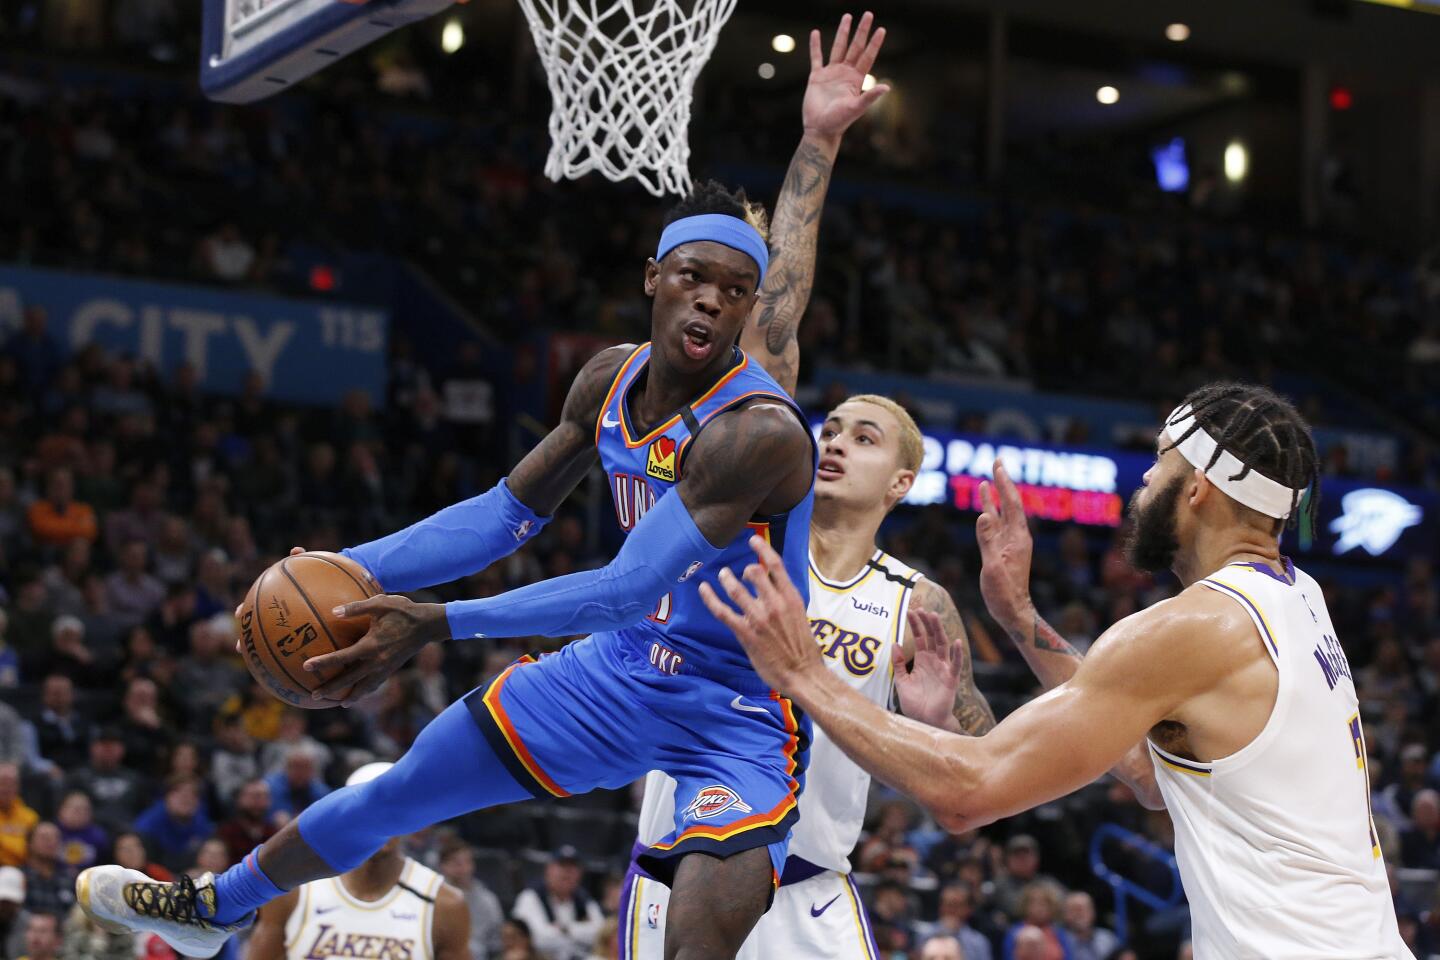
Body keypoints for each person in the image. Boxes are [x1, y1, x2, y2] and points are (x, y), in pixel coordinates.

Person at [78, 14, 887, 960]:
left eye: (732, 291)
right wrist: (353, 564)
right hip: (622, 670)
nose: (711, 299)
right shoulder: (608, 380)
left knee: (698, 938)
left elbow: (626, 585)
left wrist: (441, 621)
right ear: (653, 280)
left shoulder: (756, 434)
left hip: (737, 708)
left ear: (746, 311)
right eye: (691, 278)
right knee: (399, 789)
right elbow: (505, 514)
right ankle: (218, 906)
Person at [703, 383, 1415, 959]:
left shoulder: (1195, 627)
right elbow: (1146, 770)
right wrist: (1016, 615)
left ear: (1197, 487)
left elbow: (969, 793)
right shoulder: (1299, 599)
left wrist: (804, 673)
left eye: (1160, 463)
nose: (1144, 482)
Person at [621, 393, 995, 960]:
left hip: (811, 891)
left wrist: (937, 725)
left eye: (864, 438)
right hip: (685, 872)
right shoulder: (735, 544)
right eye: (832, 430)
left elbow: (985, 769)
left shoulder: (916, 602)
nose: (837, 443)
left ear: (900, 483)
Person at [246, 764, 470, 960]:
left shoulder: (444, 904)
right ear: (348, 813)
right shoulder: (294, 892)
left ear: (410, 818)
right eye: (369, 811)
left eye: (392, 812)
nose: (380, 822)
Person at [510, 849, 603, 960]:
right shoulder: (530, 897)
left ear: (580, 874)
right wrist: (580, 933)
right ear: (548, 870)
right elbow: (538, 939)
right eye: (562, 866)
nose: (567, 872)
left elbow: (601, 933)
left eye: (573, 868)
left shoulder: (584, 899)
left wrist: (565, 929)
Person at [436, 840, 503, 960]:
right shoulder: (433, 899)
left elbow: (496, 944)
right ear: (443, 866)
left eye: (468, 862)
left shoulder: (488, 899)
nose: (464, 869)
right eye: (457, 863)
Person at [1059, 892, 1119, 960]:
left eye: (1084, 909)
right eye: (1075, 910)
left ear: (1093, 912)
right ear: (1065, 914)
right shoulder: (1056, 940)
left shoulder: (1107, 938)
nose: (1080, 914)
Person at [0, 766, 37, 869]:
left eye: (11, 784)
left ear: (18, 787)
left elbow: (36, 852)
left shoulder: (30, 817)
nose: (6, 788)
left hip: (25, 871)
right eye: (2, 783)